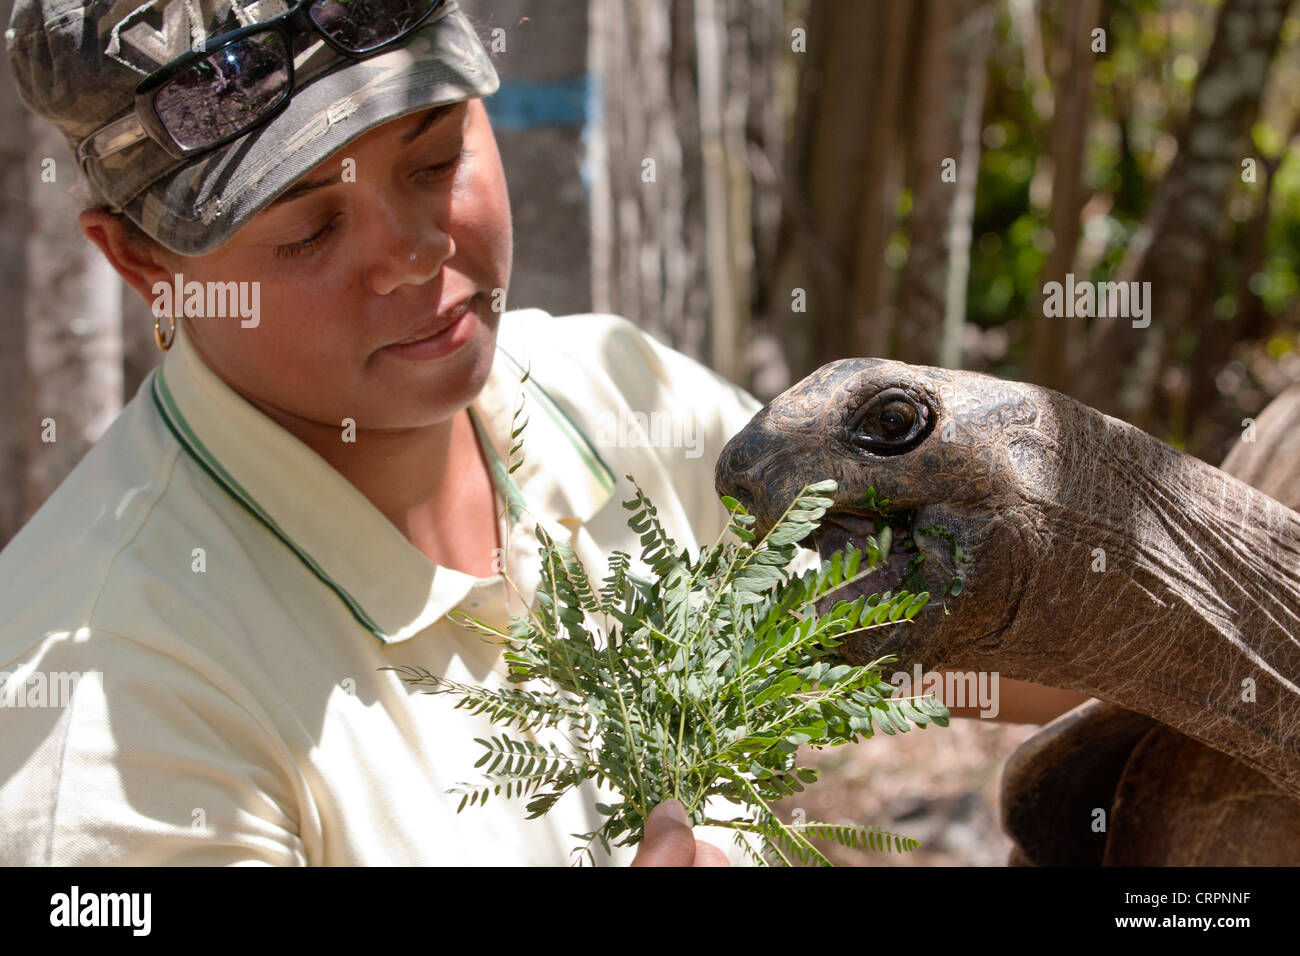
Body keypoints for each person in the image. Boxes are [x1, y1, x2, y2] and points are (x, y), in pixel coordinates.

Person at [0, 0, 1086, 866]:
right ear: (143, 264)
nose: (416, 252)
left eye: (434, 159)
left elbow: (980, 644)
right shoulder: (115, 728)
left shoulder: (610, 404)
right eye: (309, 229)